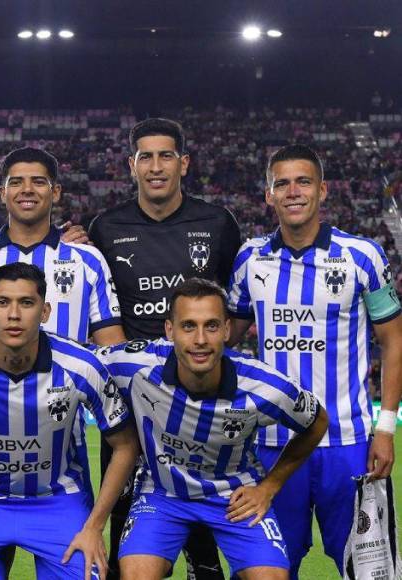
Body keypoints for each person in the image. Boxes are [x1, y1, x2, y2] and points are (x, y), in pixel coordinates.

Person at [227, 144, 402, 578]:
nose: (292, 192)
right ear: (268, 195)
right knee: (270, 569)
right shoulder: (250, 259)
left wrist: (385, 428)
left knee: (368, 568)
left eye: (303, 181)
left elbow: (394, 342)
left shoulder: (363, 256)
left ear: (323, 190)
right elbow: (224, 341)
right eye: (281, 183)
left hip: (349, 445)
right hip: (271, 446)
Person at [88, 118, 241, 579]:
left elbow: (231, 316)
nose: (156, 167)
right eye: (146, 157)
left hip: (202, 403)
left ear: (184, 163)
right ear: (131, 165)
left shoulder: (217, 223)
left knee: (205, 548)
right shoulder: (105, 227)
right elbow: (99, 310)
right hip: (132, 407)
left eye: (166, 155)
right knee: (124, 537)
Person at [103, 278, 328, 580]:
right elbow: (79, 364)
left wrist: (269, 487)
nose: (200, 339)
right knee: (136, 576)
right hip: (162, 492)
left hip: (234, 496)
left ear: (226, 329)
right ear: (170, 330)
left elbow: (317, 422)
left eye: (211, 326)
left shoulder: (264, 387)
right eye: (188, 326)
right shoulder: (133, 364)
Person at [0, 263, 140, 580]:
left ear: (44, 312)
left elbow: (125, 445)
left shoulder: (81, 366)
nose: (13, 314)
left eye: (26, 303)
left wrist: (94, 526)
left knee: (87, 573)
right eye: (2, 303)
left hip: (59, 502)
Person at [0, 146, 124, 359]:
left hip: (66, 391)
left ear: (55, 192)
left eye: (38, 182)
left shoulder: (87, 260)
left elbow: (111, 347)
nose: (27, 189)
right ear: (2, 193)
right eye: (16, 182)